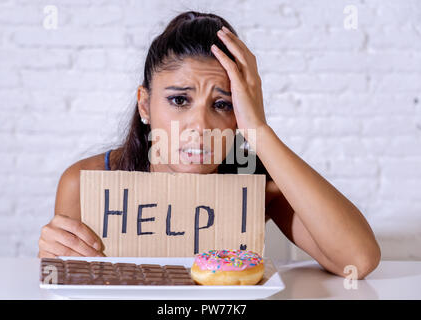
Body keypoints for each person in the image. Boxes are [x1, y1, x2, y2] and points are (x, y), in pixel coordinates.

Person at [38, 11, 381, 279]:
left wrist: (259, 129)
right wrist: (55, 257)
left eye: (222, 105)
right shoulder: (85, 182)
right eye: (178, 100)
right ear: (145, 105)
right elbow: (67, 281)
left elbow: (358, 261)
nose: (199, 127)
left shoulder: (260, 185)